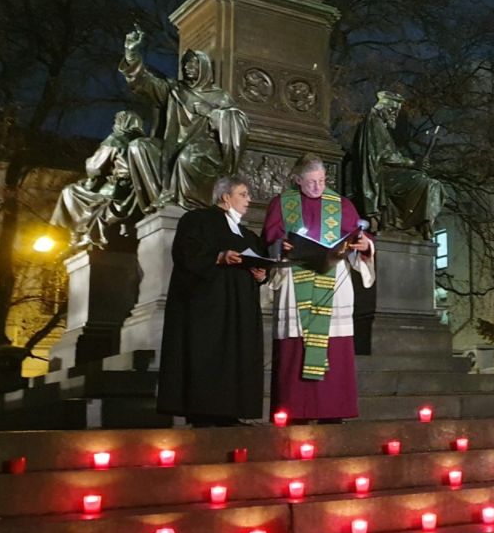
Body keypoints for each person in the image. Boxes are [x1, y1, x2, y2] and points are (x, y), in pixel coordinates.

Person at [263, 155, 375, 422]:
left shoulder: (342, 204)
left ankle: (332, 413)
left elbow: (359, 238)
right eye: (311, 182)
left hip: (333, 279)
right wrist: (281, 246)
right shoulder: (282, 204)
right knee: (296, 348)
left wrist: (364, 246)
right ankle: (295, 413)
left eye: (322, 181)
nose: (317, 187)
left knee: (333, 349)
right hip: (294, 277)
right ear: (298, 180)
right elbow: (270, 237)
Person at [157, 176, 267, 426]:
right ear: (225, 197)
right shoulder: (197, 220)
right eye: (243, 194)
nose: (249, 199)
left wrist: (262, 274)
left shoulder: (247, 233)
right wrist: (219, 256)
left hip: (240, 309)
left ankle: (231, 410)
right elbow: (186, 252)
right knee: (209, 355)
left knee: (236, 355)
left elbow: (259, 260)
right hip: (209, 306)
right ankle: (204, 412)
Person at [120, 27, 249, 211]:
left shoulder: (220, 97)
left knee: (187, 158)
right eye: (185, 64)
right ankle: (158, 204)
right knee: (138, 147)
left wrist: (212, 113)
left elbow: (238, 124)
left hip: (206, 150)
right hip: (172, 146)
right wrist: (131, 53)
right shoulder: (174, 90)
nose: (187, 68)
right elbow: (145, 82)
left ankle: (185, 207)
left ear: (204, 67)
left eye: (193, 64)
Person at [343, 90, 444, 239]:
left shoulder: (378, 125)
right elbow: (386, 155)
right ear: (384, 108)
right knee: (425, 182)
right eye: (393, 111)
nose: (395, 115)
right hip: (379, 177)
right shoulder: (374, 123)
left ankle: (420, 226)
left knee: (433, 185)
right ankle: (411, 224)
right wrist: (413, 163)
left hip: (387, 174)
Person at [49, 110, 146, 249]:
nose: (115, 125)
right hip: (135, 188)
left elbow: (95, 168)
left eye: (117, 121)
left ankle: (75, 233)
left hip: (117, 187)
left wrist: (90, 163)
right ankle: (78, 233)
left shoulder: (116, 140)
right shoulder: (142, 141)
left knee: (69, 191)